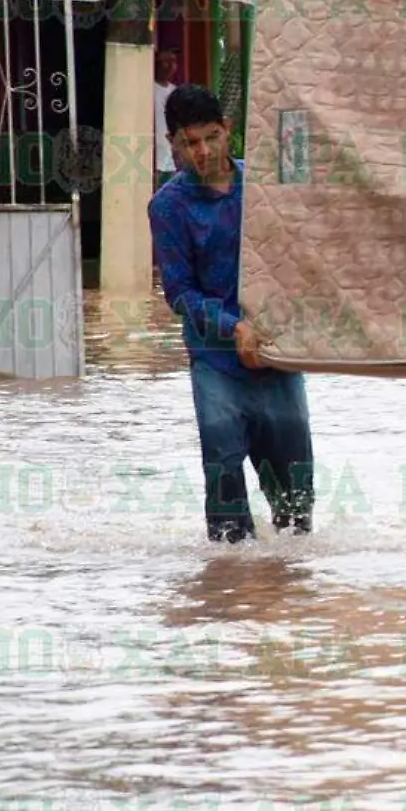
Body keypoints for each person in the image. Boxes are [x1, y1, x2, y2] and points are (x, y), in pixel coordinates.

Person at [149, 85, 315, 543]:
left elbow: (300, 258)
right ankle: (227, 595)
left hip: (275, 356)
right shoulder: (168, 206)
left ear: (228, 132)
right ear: (173, 145)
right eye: (189, 143)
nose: (202, 151)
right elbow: (179, 292)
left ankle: (289, 595)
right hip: (216, 361)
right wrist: (232, 327)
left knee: (296, 501)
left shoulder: (264, 191)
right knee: (224, 486)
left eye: (210, 137)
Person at [153, 48, 180, 188]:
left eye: (173, 62)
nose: (170, 66)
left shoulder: (174, 91)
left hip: (170, 156)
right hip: (154, 155)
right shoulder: (148, 87)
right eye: (165, 62)